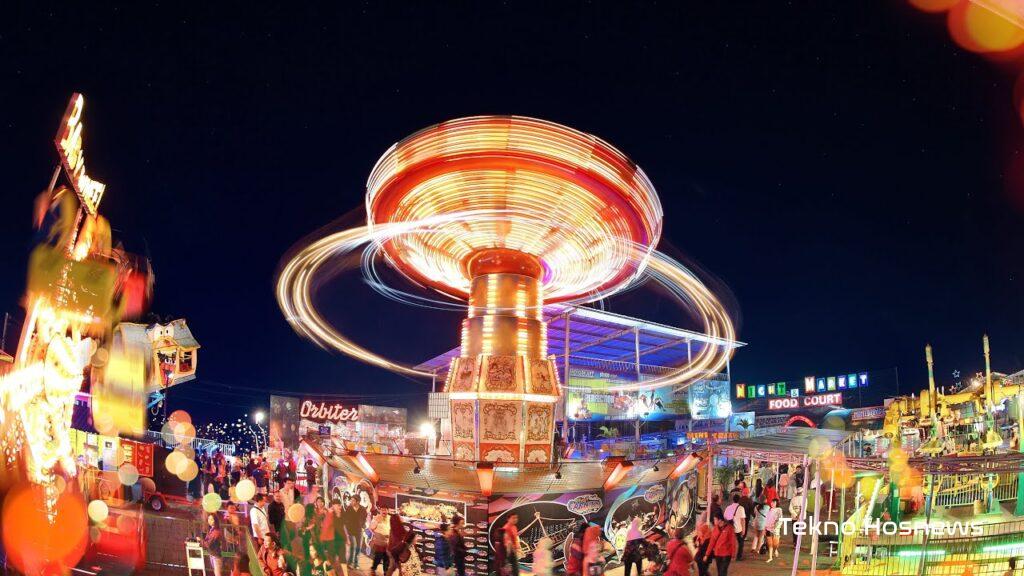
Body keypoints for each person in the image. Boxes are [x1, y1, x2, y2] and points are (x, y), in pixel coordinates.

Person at [344, 493, 367, 569]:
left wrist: (363, 525)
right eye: (351, 500)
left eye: (353, 500)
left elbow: (364, 518)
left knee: (358, 548)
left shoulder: (363, 509)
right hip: (350, 530)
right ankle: (350, 562)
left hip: (359, 531)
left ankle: (356, 563)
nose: (351, 502)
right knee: (353, 546)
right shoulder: (349, 508)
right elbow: (346, 519)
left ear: (358, 502)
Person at [723, 494, 746, 561]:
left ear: (733, 500)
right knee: (740, 542)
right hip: (738, 529)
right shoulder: (741, 508)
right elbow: (743, 520)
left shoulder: (728, 507)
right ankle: (739, 556)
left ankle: (728, 555)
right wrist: (743, 529)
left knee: (729, 542)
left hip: (729, 528)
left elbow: (725, 518)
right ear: (739, 500)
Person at [370, 509, 391, 575]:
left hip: (388, 542)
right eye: (382, 510)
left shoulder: (390, 518)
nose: (384, 511)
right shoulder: (376, 518)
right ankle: (373, 568)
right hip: (379, 541)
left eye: (385, 510)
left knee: (387, 557)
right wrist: (376, 522)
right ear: (380, 511)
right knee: (378, 556)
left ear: (388, 511)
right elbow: (371, 527)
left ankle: (385, 572)